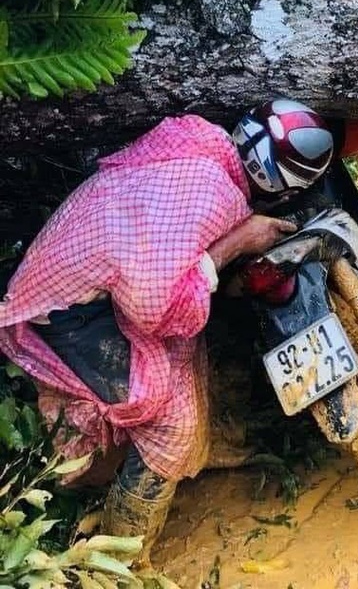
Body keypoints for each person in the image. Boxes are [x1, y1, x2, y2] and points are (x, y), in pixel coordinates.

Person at [0, 98, 338, 564]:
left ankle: (198, 448)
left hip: (76, 278)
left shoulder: (198, 143)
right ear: (282, 194)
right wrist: (238, 242)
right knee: (172, 424)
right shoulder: (216, 196)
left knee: (185, 355)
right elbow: (152, 307)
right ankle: (122, 553)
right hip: (69, 312)